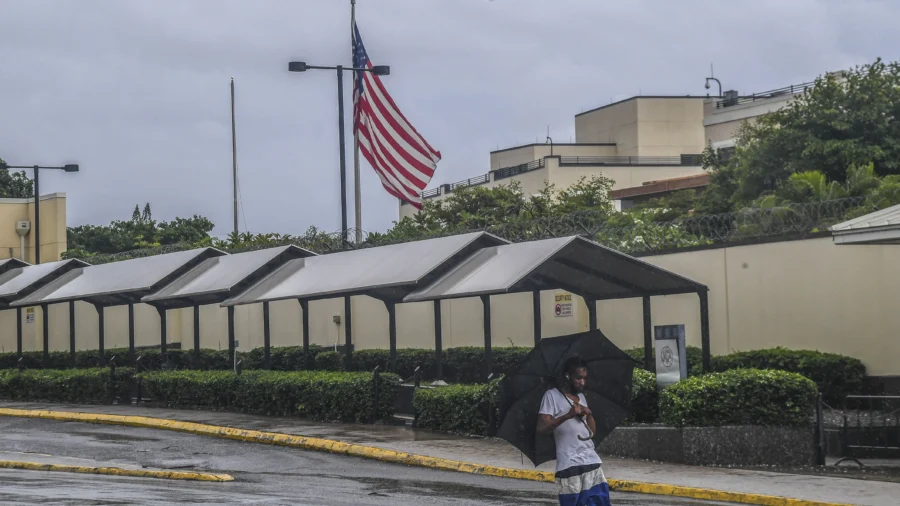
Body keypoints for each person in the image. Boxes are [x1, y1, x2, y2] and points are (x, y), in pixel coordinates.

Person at [537, 357, 610, 506]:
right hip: (570, 465)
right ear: (567, 376)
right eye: (578, 378)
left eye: (584, 378)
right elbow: (542, 428)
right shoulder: (551, 396)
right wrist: (568, 415)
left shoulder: (581, 397)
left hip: (591, 461)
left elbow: (592, 433)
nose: (582, 382)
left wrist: (588, 413)